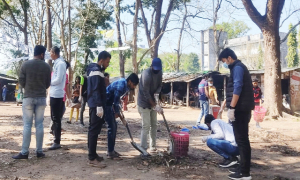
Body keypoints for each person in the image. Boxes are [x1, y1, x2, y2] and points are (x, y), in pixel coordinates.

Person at [218, 48, 254, 180]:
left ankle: (245, 173)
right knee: (241, 140)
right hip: (241, 108)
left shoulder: (238, 68)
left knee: (242, 140)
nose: (225, 64)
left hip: (241, 109)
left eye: (224, 61)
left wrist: (232, 107)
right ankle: (243, 169)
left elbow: (238, 87)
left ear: (229, 58)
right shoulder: (237, 68)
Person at [12, 45, 51, 159]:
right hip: (41, 98)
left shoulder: (25, 65)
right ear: (42, 54)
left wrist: (28, 87)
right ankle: (39, 151)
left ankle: (24, 152)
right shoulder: (47, 67)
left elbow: (21, 80)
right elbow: (48, 83)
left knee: (27, 125)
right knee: (39, 124)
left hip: (28, 98)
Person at [105, 73, 139, 160]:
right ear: (130, 81)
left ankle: (111, 150)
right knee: (111, 127)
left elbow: (118, 102)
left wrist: (120, 114)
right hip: (105, 103)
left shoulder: (126, 86)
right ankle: (110, 152)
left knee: (114, 127)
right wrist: (119, 115)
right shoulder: (121, 85)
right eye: (134, 84)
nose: (134, 87)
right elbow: (116, 101)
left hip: (110, 104)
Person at [86, 51, 111, 168]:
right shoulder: (96, 71)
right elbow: (95, 90)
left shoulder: (97, 71)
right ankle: (91, 158)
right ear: (101, 60)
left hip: (96, 103)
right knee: (93, 130)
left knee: (95, 130)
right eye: (107, 62)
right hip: (96, 104)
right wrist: (99, 105)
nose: (108, 64)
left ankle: (93, 154)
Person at [138, 58, 163, 156]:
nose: (156, 70)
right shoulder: (146, 74)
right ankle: (143, 148)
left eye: (158, 69)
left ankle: (153, 147)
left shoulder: (160, 72)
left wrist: (157, 94)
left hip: (153, 101)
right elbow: (146, 92)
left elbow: (160, 85)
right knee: (146, 126)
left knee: (154, 125)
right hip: (144, 103)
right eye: (155, 69)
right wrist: (155, 106)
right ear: (151, 66)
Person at [49, 46, 67, 150]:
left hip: (57, 93)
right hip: (54, 93)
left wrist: (48, 82)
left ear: (54, 53)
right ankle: (56, 139)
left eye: (51, 52)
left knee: (56, 118)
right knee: (54, 117)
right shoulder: (57, 63)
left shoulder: (60, 64)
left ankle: (57, 141)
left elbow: (59, 79)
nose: (50, 54)